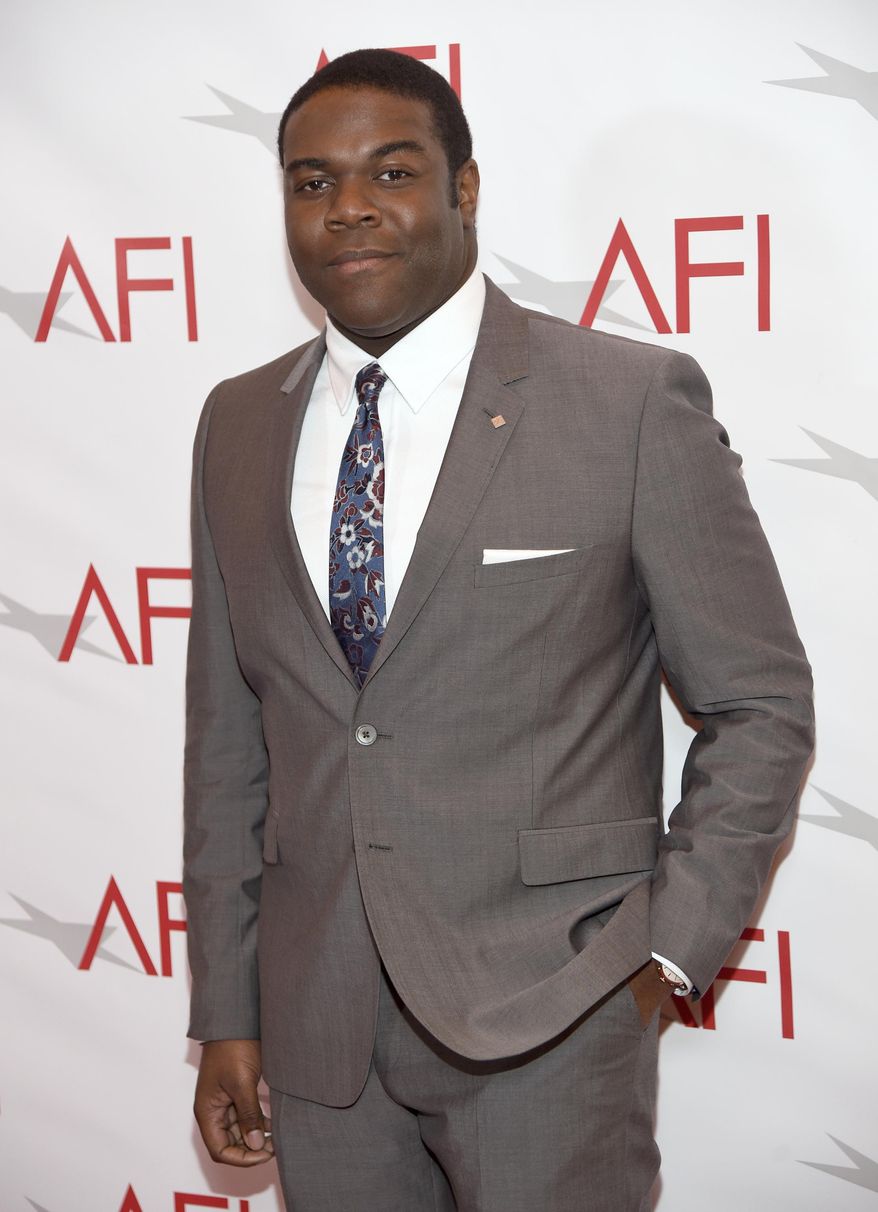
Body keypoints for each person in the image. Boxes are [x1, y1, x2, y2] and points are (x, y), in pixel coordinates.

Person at [183, 48, 814, 1212]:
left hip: (552, 1020)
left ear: (464, 189)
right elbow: (227, 744)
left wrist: (662, 952)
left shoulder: (625, 401)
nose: (349, 210)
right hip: (317, 1035)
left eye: (392, 172)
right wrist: (228, 1009)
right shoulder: (235, 424)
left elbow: (757, 705)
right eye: (311, 183)